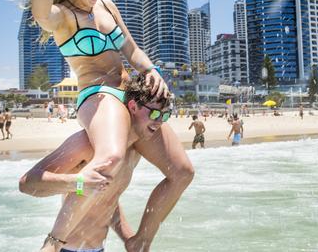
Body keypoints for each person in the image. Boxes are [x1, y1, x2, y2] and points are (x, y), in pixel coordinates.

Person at [25, 0, 175, 250]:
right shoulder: (63, 15)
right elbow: (40, 14)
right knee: (108, 160)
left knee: (182, 171)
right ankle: (55, 241)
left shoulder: (106, 5)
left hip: (128, 93)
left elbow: (132, 50)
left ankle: (139, 242)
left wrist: (153, 72)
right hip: (99, 94)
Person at [20, 75, 193, 251]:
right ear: (133, 106)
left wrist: (129, 238)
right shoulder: (87, 143)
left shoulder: (134, 150)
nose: (159, 122)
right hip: (68, 249)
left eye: (165, 116)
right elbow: (27, 183)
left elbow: (108, 199)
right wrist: (78, 183)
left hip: (99, 248)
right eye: (155, 113)